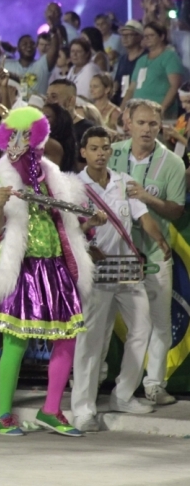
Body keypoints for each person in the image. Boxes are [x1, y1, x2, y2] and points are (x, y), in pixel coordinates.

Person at [0, 107, 103, 437]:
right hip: (22, 268)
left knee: (66, 338)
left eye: (27, 136)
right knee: (16, 341)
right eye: (14, 137)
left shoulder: (52, 176)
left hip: (55, 267)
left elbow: (69, 225)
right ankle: (3, 414)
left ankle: (51, 409)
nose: (21, 143)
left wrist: (91, 221)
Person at [72, 126, 170, 432]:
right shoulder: (74, 187)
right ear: (83, 152)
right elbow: (68, 230)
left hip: (127, 269)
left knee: (142, 328)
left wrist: (161, 242)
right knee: (90, 340)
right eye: (95, 148)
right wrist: (89, 240)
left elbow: (142, 217)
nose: (101, 153)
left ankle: (123, 395)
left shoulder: (123, 181)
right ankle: (83, 409)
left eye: (105, 148)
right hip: (94, 271)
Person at [108, 100, 186, 406]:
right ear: (128, 123)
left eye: (153, 124)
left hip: (155, 255)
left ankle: (154, 384)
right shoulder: (112, 153)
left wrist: (145, 197)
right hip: (114, 254)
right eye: (141, 123)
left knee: (159, 322)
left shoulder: (173, 164)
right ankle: (100, 381)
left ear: (161, 126)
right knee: (101, 321)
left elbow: (177, 210)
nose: (147, 129)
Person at [124, 21, 184, 119]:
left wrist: (162, 109)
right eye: (145, 36)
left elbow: (175, 86)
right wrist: (123, 110)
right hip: (138, 113)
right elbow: (131, 88)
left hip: (159, 113)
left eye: (151, 35)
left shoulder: (169, 56)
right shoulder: (141, 60)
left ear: (162, 37)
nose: (147, 38)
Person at [113, 20, 146, 106]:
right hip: (122, 101)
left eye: (129, 35)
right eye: (123, 35)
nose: (125, 38)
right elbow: (117, 82)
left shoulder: (146, 57)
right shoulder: (123, 59)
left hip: (138, 102)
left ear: (139, 37)